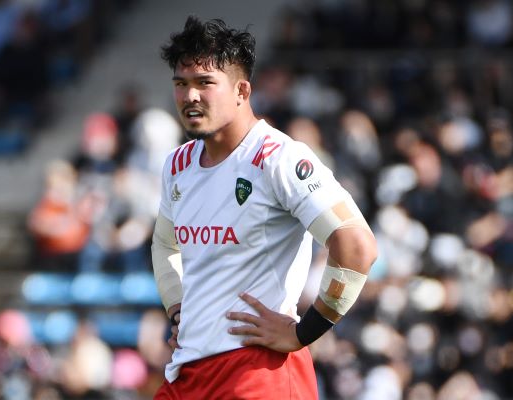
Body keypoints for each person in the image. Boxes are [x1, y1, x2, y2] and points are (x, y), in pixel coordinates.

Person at [151, 16, 377, 399]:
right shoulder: (178, 164)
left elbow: (356, 246)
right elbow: (163, 244)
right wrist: (178, 310)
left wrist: (303, 332)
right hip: (188, 373)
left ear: (241, 90)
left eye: (204, 83)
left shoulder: (278, 158)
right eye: (181, 83)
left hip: (258, 372)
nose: (190, 96)